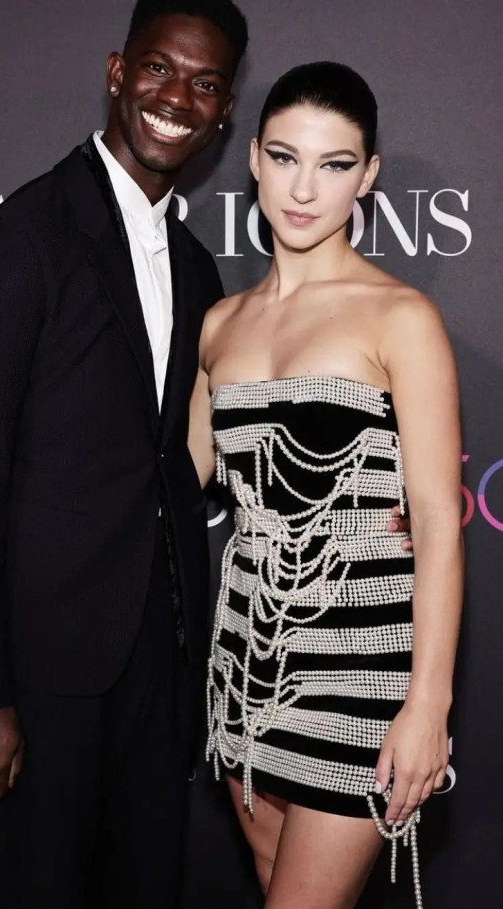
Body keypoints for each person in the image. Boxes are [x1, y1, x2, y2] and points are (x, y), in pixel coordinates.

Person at [0, 2, 247, 907]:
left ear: (225, 112)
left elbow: (178, 460)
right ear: (117, 71)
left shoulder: (196, 266)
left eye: (205, 83)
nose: (176, 97)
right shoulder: (22, 239)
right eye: (158, 67)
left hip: (157, 675)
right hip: (37, 683)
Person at [189, 62, 462, 909]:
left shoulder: (400, 317)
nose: (304, 189)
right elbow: (171, 478)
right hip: (244, 665)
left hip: (361, 677)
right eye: (284, 157)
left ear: (367, 175)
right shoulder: (221, 324)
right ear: (253, 160)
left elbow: (438, 522)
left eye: (334, 164)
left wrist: (428, 703)